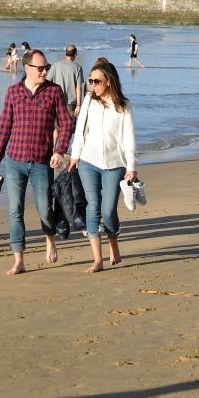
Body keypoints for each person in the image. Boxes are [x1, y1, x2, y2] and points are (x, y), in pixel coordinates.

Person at [0, 48, 72, 275]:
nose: (45, 71)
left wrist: (59, 151)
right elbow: (4, 128)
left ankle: (50, 240)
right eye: (40, 68)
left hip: (43, 162)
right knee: (15, 210)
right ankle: (19, 260)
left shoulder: (54, 92)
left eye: (46, 68)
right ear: (27, 68)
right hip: (15, 161)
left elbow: (66, 125)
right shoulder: (13, 92)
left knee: (45, 209)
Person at [69, 61, 137, 273]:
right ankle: (97, 259)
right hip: (88, 161)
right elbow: (79, 130)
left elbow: (129, 138)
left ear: (109, 82)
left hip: (115, 164)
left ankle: (113, 242)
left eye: (96, 81)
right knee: (93, 207)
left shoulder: (123, 105)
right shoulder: (89, 100)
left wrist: (131, 166)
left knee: (108, 211)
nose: (92, 85)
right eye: (90, 81)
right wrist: (74, 156)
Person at [47, 44, 85, 129]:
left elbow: (48, 82)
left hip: (56, 101)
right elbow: (78, 87)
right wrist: (79, 105)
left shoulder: (55, 65)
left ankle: (53, 143)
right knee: (68, 130)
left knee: (56, 129)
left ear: (65, 53)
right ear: (75, 54)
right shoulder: (78, 67)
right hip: (70, 103)